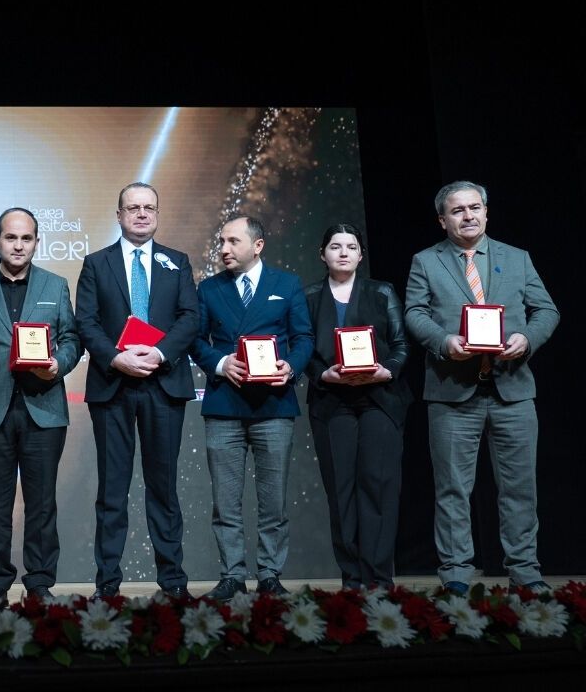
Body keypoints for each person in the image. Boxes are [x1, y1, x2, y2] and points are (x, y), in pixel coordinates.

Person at [404, 181, 559, 594]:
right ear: (443, 220)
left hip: (513, 390)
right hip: (452, 392)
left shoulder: (517, 258)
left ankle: (525, 572)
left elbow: (546, 310)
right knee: (453, 489)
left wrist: (527, 338)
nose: (468, 216)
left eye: (475, 208)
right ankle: (456, 574)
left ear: (487, 213)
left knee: (519, 488)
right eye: (458, 211)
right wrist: (443, 342)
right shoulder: (425, 261)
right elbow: (415, 313)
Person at [75, 182, 199, 600]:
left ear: (157, 214)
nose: (141, 214)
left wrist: (160, 354)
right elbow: (86, 322)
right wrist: (116, 358)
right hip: (113, 386)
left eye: (149, 208)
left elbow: (189, 318)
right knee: (112, 491)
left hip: (163, 386)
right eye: (133, 208)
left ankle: (174, 583)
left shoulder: (177, 262)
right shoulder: (96, 263)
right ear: (119, 214)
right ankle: (107, 585)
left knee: (163, 489)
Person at [0, 208, 81, 607]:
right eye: (11, 238)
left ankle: (40, 582)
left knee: (42, 502)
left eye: (26, 238)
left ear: (36, 242)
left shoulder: (55, 284)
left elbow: (71, 340)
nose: (18, 245)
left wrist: (57, 364)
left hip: (43, 407)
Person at [193, 215, 313, 601]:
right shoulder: (209, 288)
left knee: (273, 499)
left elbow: (304, 337)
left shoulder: (286, 283)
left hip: (274, 405)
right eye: (221, 241)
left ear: (257, 245)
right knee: (225, 500)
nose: (224, 249)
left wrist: (291, 366)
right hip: (224, 405)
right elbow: (195, 340)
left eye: (232, 241)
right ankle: (231, 575)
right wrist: (220, 363)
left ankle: (270, 574)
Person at [303, 223, 412, 589]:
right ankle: (351, 578)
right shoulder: (310, 296)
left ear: (361, 255)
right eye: (335, 246)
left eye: (351, 246)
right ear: (323, 254)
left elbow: (401, 345)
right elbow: (304, 351)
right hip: (333, 401)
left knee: (378, 486)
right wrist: (323, 375)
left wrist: (387, 370)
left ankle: (378, 578)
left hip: (380, 398)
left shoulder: (382, 292)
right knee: (342, 490)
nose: (344, 252)